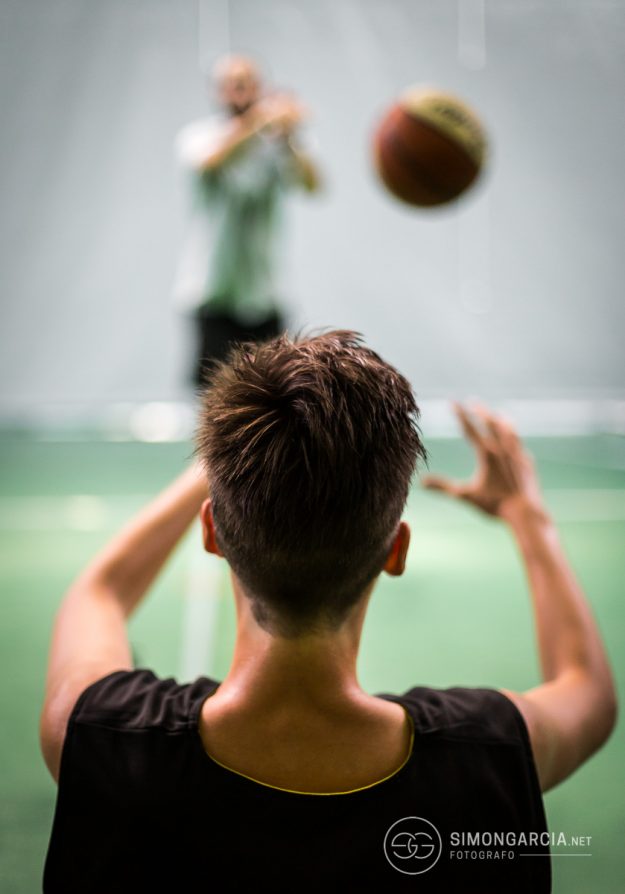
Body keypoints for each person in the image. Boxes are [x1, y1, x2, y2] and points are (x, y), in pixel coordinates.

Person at [41, 332, 616, 891]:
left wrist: (229, 460)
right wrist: (527, 516)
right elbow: (587, 689)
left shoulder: (95, 732)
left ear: (213, 531)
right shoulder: (491, 753)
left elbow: (100, 592)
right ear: (397, 550)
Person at [173, 55, 320, 386]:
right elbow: (210, 162)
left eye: (248, 83)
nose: (240, 91)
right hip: (212, 289)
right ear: (218, 91)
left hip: (264, 293)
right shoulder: (198, 136)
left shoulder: (277, 141)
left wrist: (290, 137)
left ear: (261, 88)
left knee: (272, 395)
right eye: (233, 84)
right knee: (211, 396)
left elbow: (313, 185)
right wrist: (263, 118)